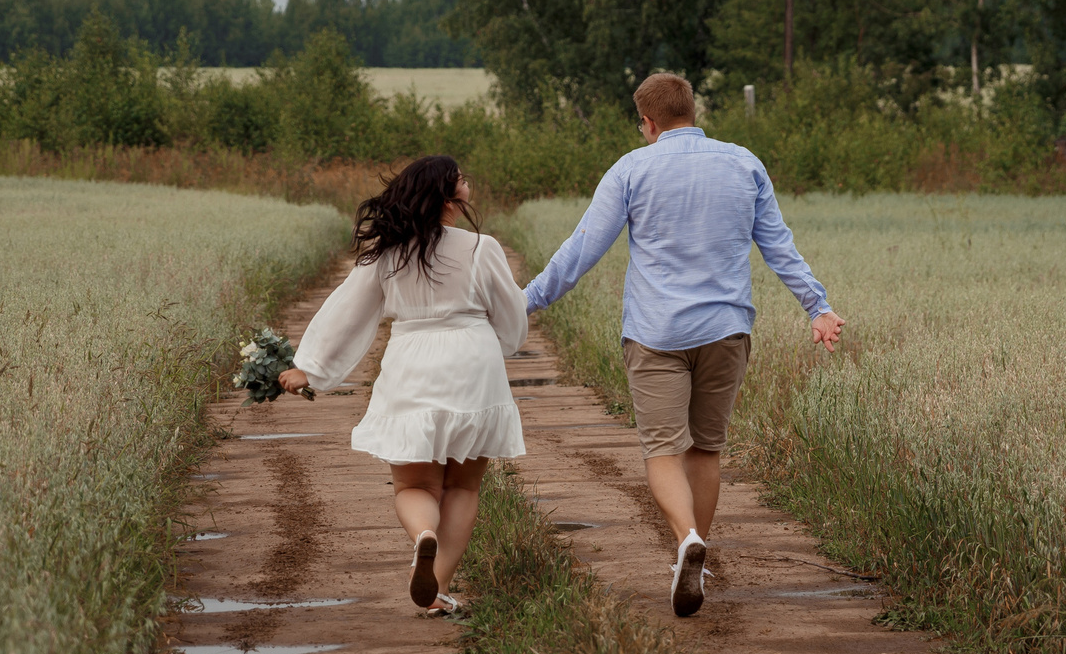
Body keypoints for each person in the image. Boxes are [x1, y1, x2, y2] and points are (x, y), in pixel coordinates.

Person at [523, 72, 842, 618]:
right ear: (691, 111)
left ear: (647, 122)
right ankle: (694, 555)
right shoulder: (744, 163)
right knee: (706, 448)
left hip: (656, 333)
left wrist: (524, 303)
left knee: (663, 449)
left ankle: (687, 540)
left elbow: (582, 249)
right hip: (726, 330)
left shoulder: (631, 168)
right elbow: (777, 245)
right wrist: (818, 307)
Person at [279, 155, 526, 615]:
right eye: (462, 178)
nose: (468, 183)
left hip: (411, 361)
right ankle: (438, 590)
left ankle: (423, 536)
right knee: (463, 489)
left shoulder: (388, 252)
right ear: (448, 194)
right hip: (473, 364)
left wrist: (310, 367)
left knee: (413, 486)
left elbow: (346, 312)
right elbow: (511, 321)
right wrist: (506, 343)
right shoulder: (481, 248)